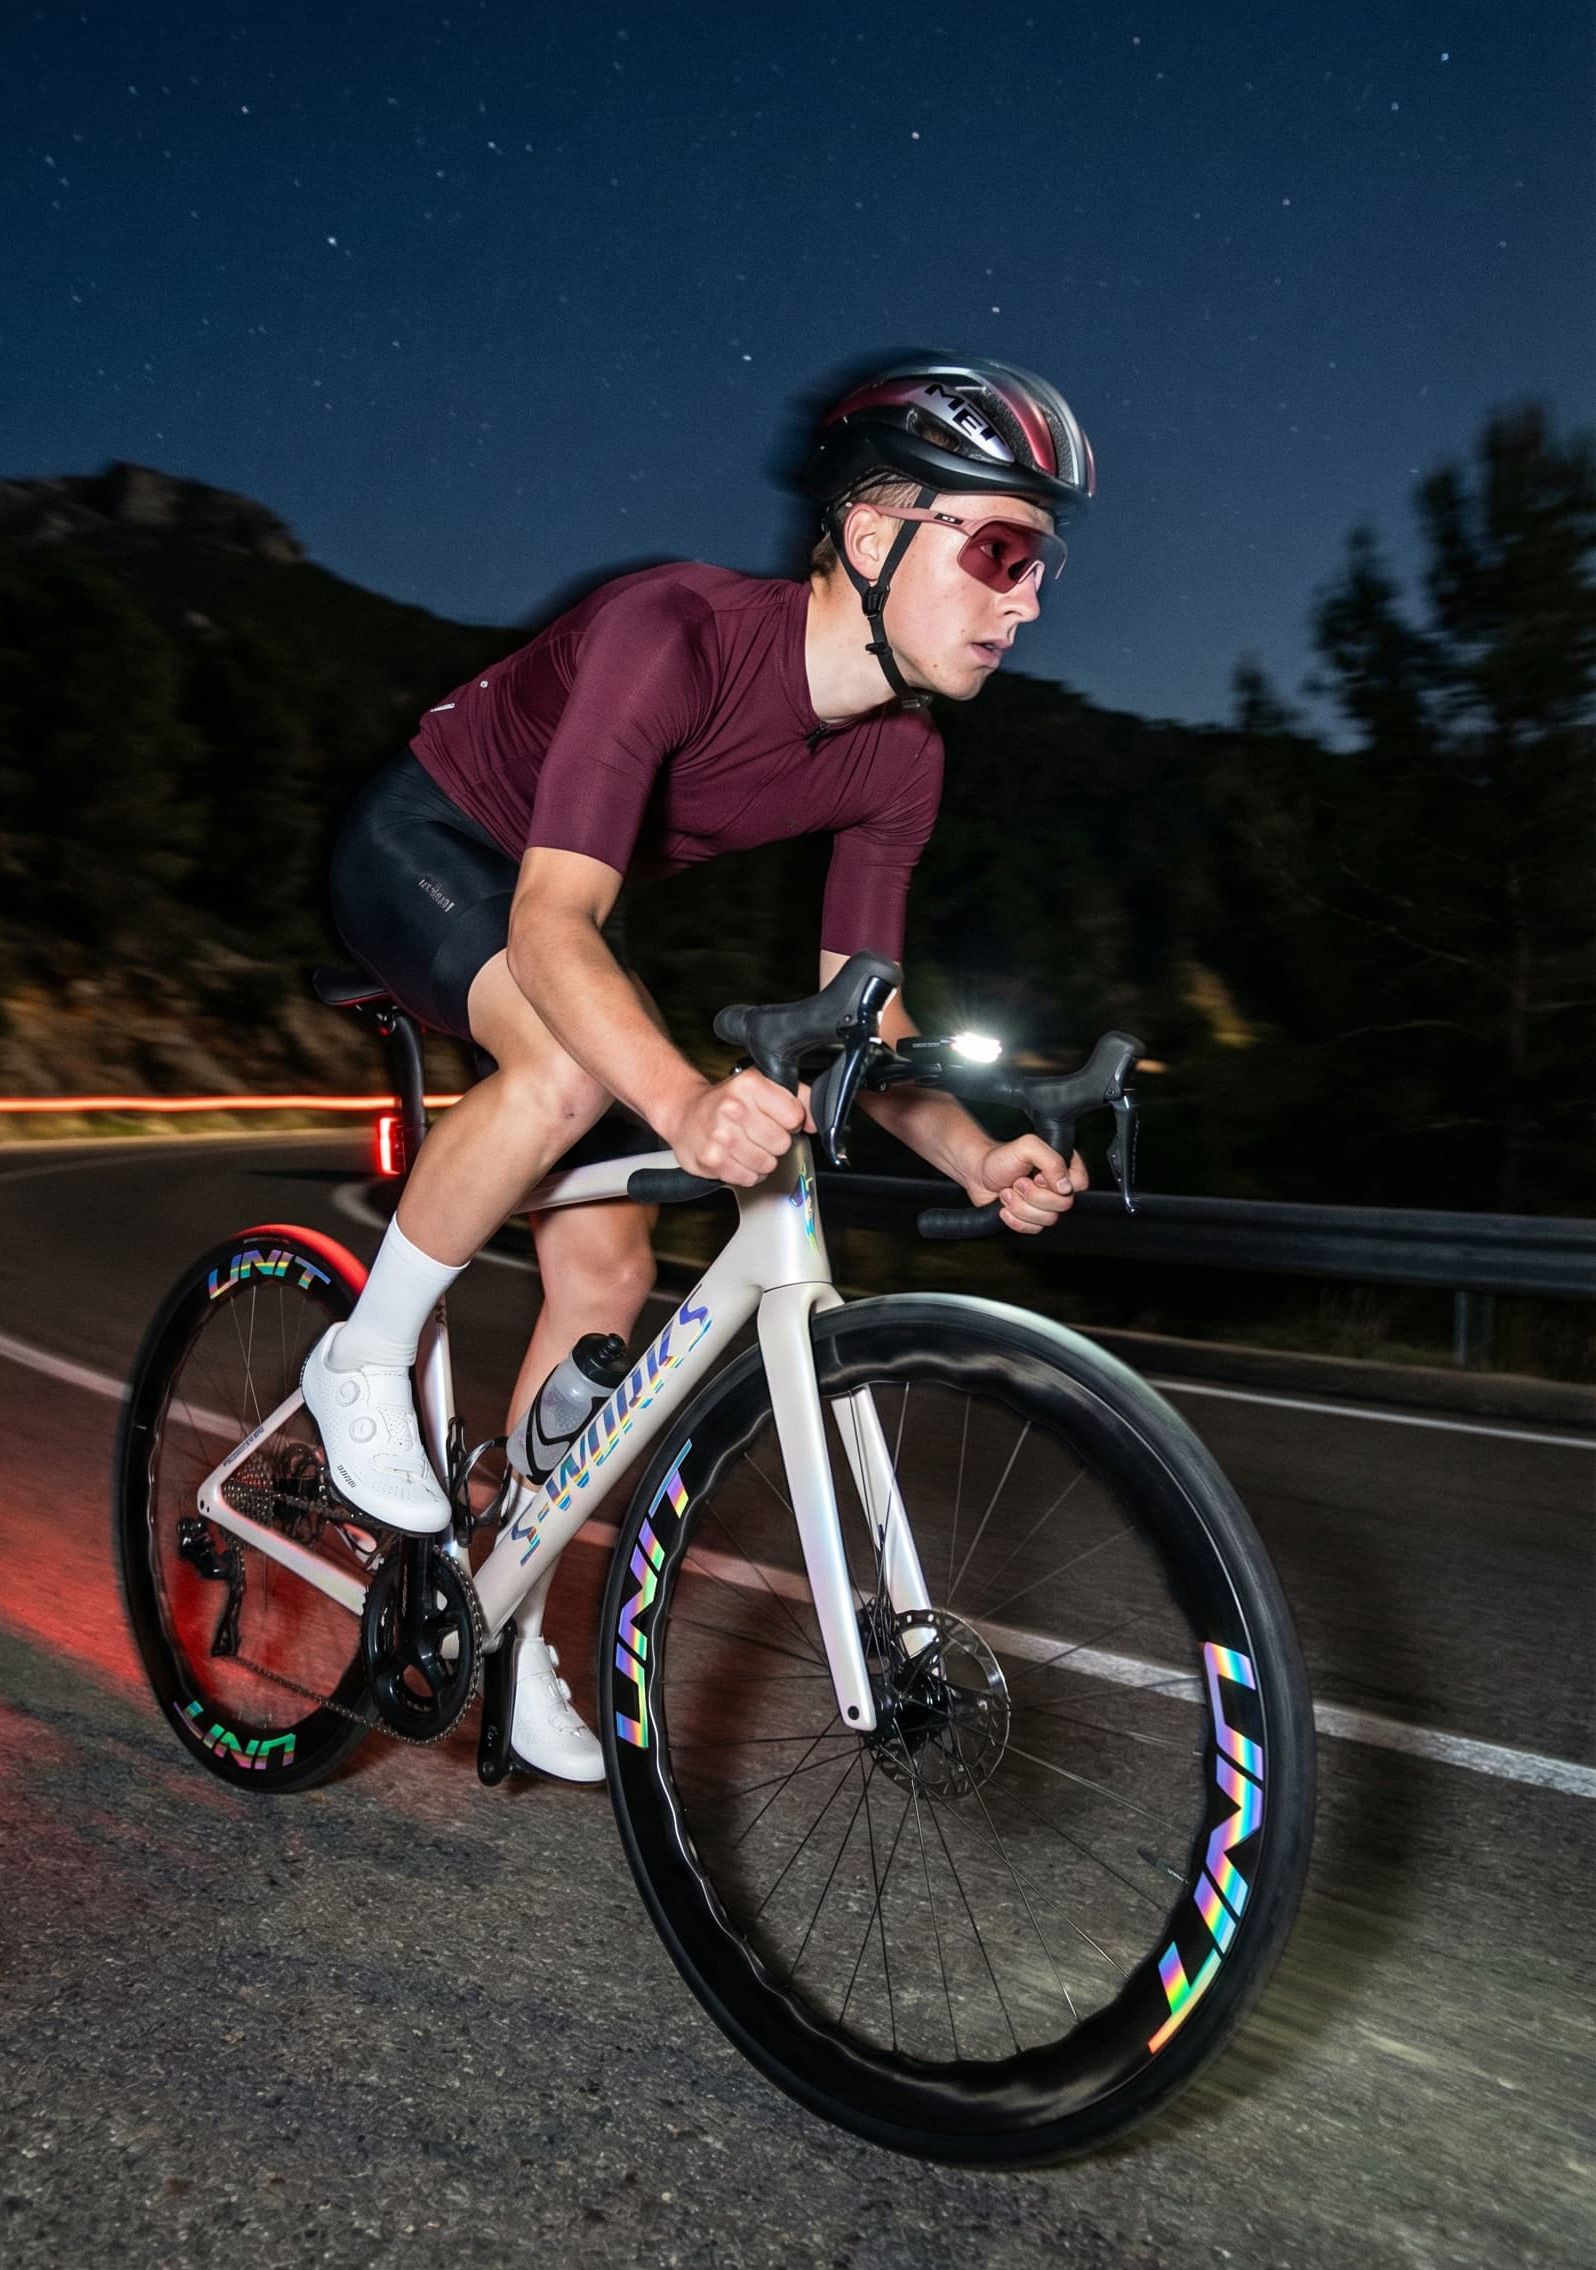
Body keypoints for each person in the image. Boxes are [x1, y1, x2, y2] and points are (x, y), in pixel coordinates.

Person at [303, 359, 1096, 1782]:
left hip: (561, 905)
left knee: (611, 1275)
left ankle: (498, 1622)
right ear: (874, 532)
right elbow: (551, 927)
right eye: (1000, 551)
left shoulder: (902, 761)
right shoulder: (673, 627)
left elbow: (865, 1016)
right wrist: (682, 1101)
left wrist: (978, 1151)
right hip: (433, 845)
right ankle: (359, 1352)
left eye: (1041, 564)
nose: (1028, 598)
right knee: (567, 1070)